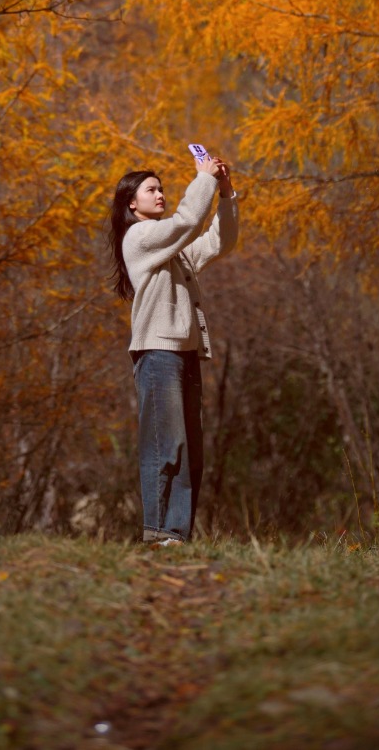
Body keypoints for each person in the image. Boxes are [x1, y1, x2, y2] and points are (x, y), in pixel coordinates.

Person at [108, 153, 238, 546]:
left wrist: (227, 194)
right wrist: (204, 179)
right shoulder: (140, 238)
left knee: (191, 450)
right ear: (132, 203)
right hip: (157, 353)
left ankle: (175, 534)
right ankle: (160, 530)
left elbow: (219, 241)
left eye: (162, 188)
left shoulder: (172, 249)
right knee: (167, 443)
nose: (160, 193)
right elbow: (186, 222)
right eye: (152, 189)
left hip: (185, 353)